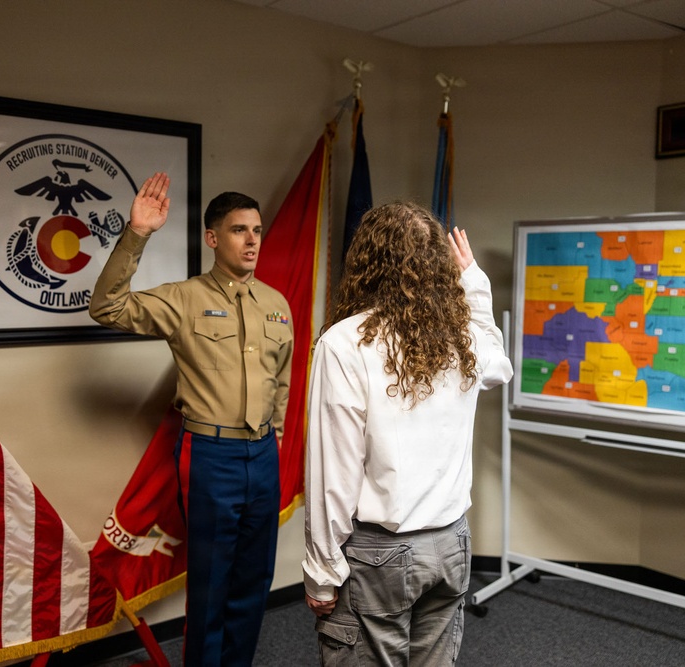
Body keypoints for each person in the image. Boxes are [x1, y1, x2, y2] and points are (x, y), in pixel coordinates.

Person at [90, 173, 293, 666]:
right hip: (211, 456)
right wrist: (137, 233)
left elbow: (281, 378)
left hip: (263, 455)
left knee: (253, 579)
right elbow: (107, 307)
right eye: (240, 230)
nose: (252, 241)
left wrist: (278, 437)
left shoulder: (276, 304)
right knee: (211, 579)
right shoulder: (184, 299)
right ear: (213, 238)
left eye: (258, 231)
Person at [302, 201, 513, 665]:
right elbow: (500, 365)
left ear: (366, 262)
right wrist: (474, 283)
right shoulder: (464, 336)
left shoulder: (345, 342)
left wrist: (322, 571)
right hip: (452, 545)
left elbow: (331, 472)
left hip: (382, 555)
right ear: (440, 266)